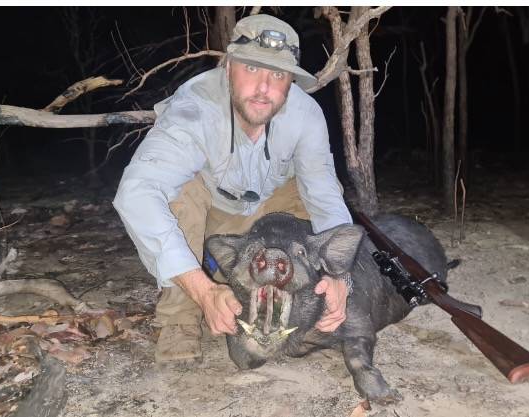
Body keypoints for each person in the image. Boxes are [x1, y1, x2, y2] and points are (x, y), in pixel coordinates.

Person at [113, 14, 353, 363]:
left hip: (269, 211)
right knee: (180, 192)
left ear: (290, 81)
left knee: (313, 192)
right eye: (252, 68)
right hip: (210, 218)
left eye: (278, 75)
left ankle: (303, 299)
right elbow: (136, 193)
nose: (264, 88)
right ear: (228, 67)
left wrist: (340, 274)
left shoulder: (306, 114)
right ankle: (180, 318)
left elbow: (325, 196)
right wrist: (203, 290)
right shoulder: (194, 109)